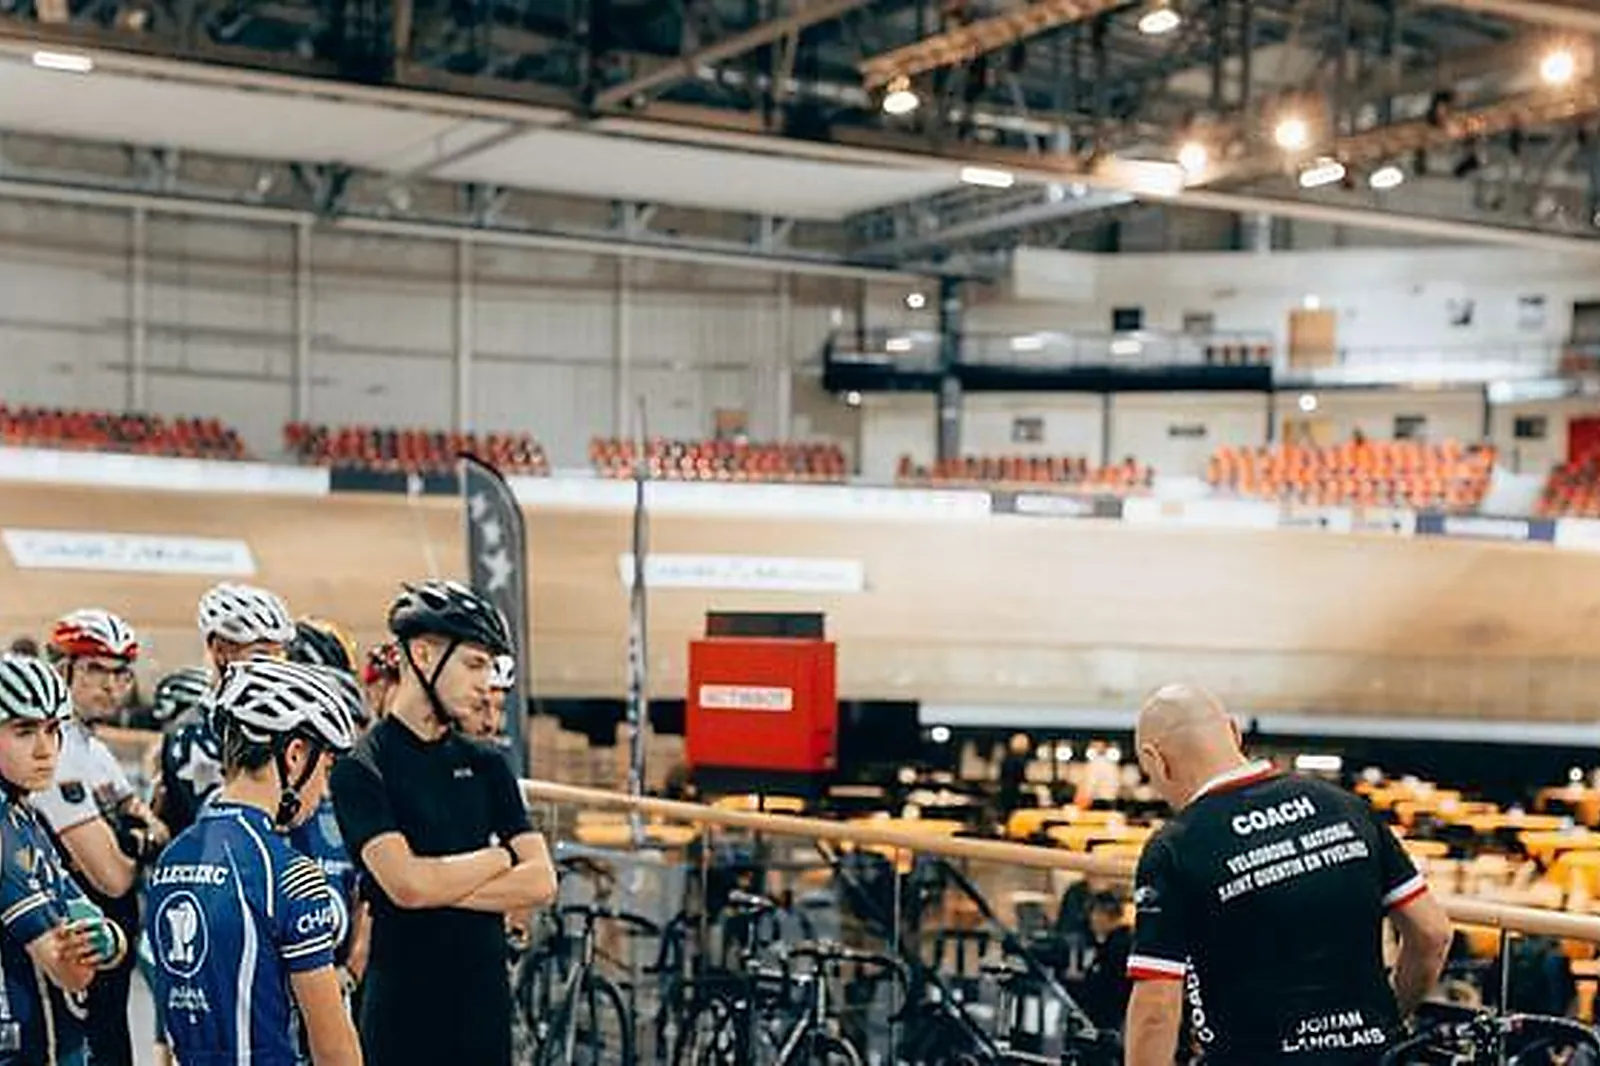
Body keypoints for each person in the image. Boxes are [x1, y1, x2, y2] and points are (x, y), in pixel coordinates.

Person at [1124, 684, 1453, 1066]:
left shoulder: (1175, 848)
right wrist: (1382, 1023)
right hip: (1376, 1054)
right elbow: (1432, 934)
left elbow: (1156, 1009)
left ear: (1155, 760)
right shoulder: (1345, 806)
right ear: (1233, 732)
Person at [331, 580, 556, 1066]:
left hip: (484, 1010)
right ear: (425, 655)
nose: (485, 682)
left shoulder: (487, 762)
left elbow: (540, 881)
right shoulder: (362, 765)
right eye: (474, 664)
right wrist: (497, 860)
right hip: (402, 1016)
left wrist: (435, 883)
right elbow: (407, 887)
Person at [145, 658, 363, 1066]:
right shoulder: (292, 874)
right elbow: (335, 1050)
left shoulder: (172, 859)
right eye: (326, 768)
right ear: (296, 755)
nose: (324, 788)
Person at [38, 610, 168, 1066]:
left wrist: (133, 837)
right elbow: (112, 875)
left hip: (109, 964)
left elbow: (155, 828)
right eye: (95, 669)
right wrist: (136, 840)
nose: (112, 685)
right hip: (76, 963)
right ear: (62, 670)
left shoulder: (93, 750)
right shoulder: (55, 755)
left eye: (120, 672)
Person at [0, 655, 129, 1066]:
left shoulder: (27, 817)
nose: (45, 750)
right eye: (23, 731)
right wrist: (98, 941)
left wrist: (106, 939)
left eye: (54, 730)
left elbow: (91, 918)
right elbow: (71, 970)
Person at [154, 583, 296, 840]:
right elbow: (225, 825)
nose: (275, 668)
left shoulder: (271, 720)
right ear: (220, 651)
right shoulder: (192, 732)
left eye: (280, 655)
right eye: (262, 654)